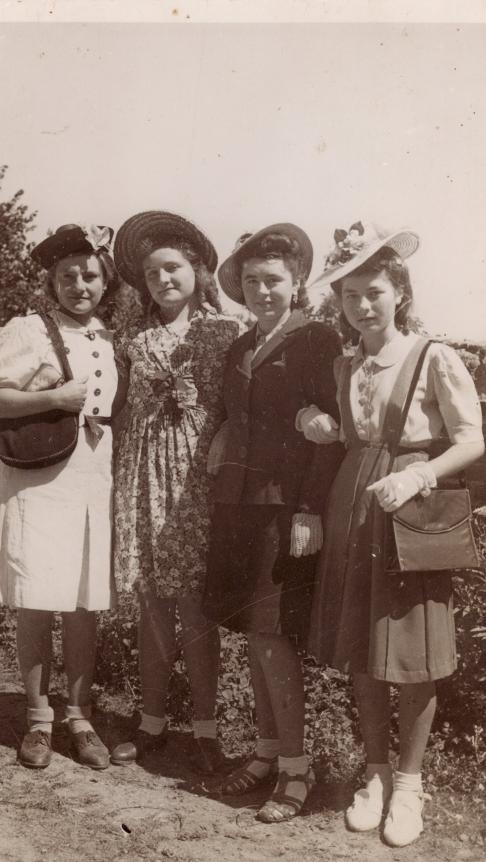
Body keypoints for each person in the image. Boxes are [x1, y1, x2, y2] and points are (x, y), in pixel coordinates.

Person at [299, 221, 485, 847]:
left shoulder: (433, 356)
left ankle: (410, 786)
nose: (361, 306)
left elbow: (472, 439)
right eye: (350, 296)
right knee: (362, 648)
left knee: (411, 653)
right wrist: (317, 417)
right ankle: (373, 773)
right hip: (353, 503)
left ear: (399, 291)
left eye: (373, 292)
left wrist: (421, 475)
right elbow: (345, 433)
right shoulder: (343, 362)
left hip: (411, 509)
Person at [202, 224, 344, 822]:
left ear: (297, 283)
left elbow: (332, 435)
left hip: (286, 508)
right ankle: (264, 755)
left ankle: (295, 769)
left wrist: (309, 507)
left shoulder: (317, 340)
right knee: (253, 635)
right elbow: (234, 420)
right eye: (252, 282)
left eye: (274, 281)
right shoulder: (239, 348)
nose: (263, 291)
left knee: (272, 635)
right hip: (238, 505)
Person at [0, 224, 119, 770]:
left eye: (90, 275)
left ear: (105, 281)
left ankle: (79, 716)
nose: (80, 285)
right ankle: (39, 719)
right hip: (40, 476)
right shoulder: (29, 328)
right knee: (38, 596)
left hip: (92, 475)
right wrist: (56, 396)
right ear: (52, 281)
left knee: (85, 600)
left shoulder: (110, 337)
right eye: (68, 276)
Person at [109, 211, 241, 773]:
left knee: (195, 606)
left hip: (197, 481)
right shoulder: (134, 341)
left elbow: (243, 406)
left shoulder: (225, 331)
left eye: (173, 268)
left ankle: (207, 730)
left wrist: (226, 433)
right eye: (152, 273)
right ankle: (153, 721)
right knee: (153, 604)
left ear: (197, 270)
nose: (163, 279)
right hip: (143, 479)